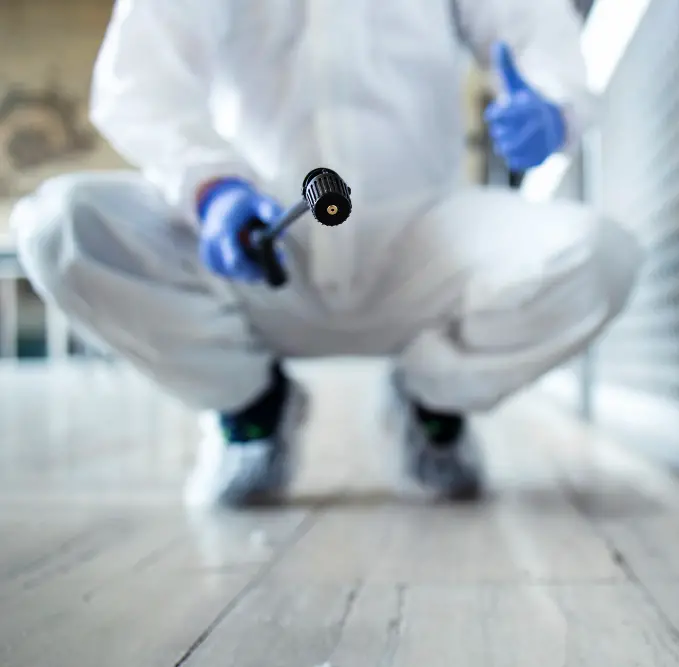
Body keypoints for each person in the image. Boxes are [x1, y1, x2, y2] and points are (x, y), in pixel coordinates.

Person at [11, 0, 642, 506]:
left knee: (598, 258)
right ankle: (251, 407)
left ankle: (434, 403)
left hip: (420, 246)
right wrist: (211, 188)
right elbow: (141, 81)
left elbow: (533, 29)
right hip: (259, 246)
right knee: (60, 227)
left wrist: (552, 108)